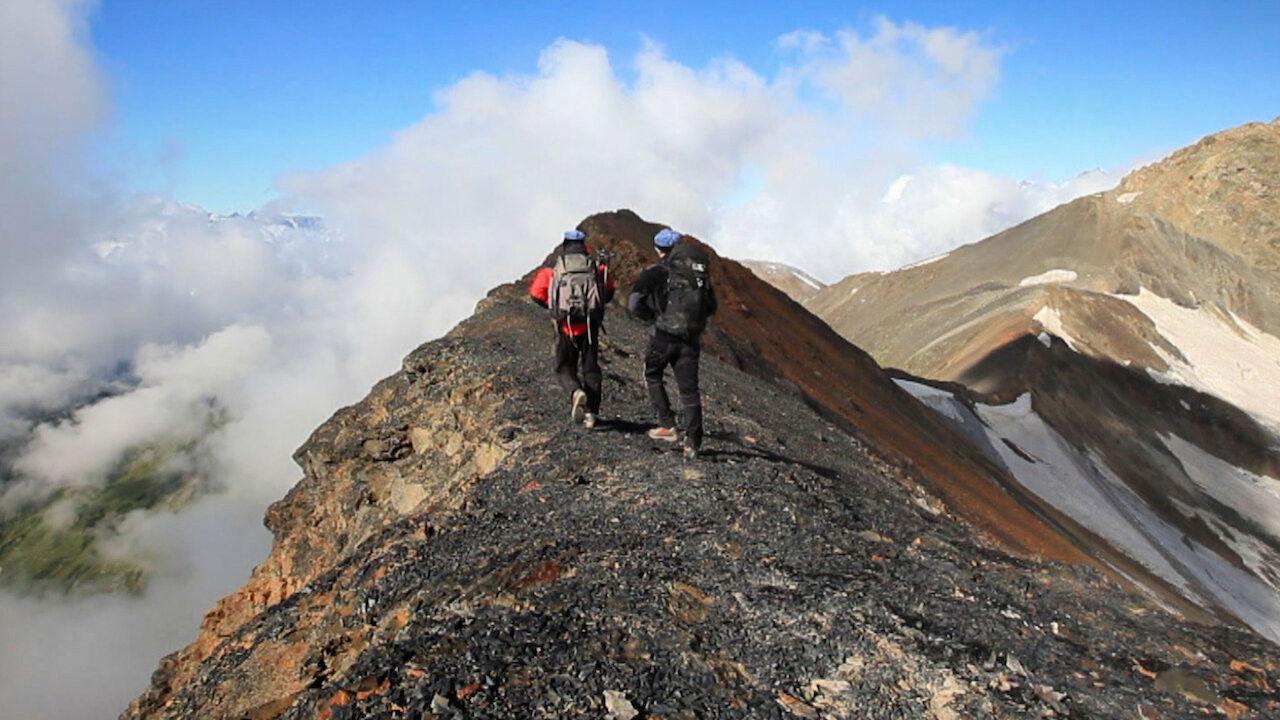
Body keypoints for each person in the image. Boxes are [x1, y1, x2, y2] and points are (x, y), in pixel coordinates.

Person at [628, 227, 717, 459]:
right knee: (689, 390)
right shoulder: (697, 275)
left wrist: (653, 318)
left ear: (659, 249)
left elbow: (634, 303)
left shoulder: (654, 272)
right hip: (690, 339)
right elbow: (711, 306)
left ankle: (667, 424)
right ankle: (693, 442)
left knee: (652, 374)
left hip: (662, 336)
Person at [529, 228, 616, 428]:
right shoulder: (596, 268)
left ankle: (575, 392)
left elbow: (535, 293)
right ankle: (591, 414)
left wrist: (555, 307)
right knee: (591, 369)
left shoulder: (553, 271)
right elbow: (608, 291)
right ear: (584, 246)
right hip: (589, 326)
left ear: (565, 245)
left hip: (565, 326)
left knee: (564, 367)